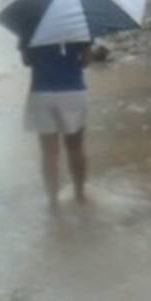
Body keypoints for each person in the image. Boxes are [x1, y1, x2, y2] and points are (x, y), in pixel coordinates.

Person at [20, 41, 92, 211]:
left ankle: (53, 203)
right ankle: (80, 196)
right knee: (76, 147)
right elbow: (86, 61)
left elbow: (27, 61)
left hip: (41, 93)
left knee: (49, 152)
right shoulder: (79, 27)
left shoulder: (28, 28)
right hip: (73, 91)